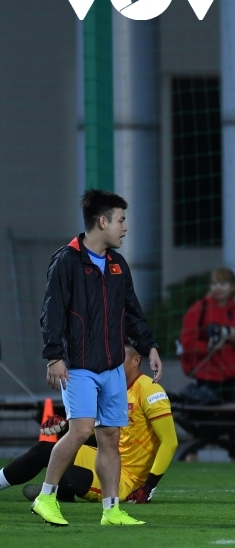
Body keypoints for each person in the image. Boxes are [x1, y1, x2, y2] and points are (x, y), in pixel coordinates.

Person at [34, 189, 162, 527]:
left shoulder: (118, 265)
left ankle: (111, 510)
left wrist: (149, 346)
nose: (125, 228)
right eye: (121, 220)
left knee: (110, 437)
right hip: (78, 366)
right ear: (102, 221)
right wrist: (53, 357)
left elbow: (132, 311)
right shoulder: (67, 260)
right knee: (80, 431)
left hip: (112, 367)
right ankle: (45, 497)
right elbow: (52, 313)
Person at [0, 344, 178, 504]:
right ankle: (54, 490)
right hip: (106, 456)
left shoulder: (151, 390)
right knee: (45, 450)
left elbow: (170, 442)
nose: (112, 362)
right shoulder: (112, 388)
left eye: (118, 358)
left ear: (135, 360)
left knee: (65, 475)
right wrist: (66, 427)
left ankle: (59, 491)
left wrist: (148, 488)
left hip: (126, 479)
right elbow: (98, 432)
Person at [178, 267, 235, 462]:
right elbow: (187, 343)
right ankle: (194, 451)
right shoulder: (199, 309)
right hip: (208, 375)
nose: (218, 288)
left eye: (223, 284)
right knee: (206, 421)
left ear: (232, 287)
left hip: (234, 375)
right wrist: (208, 345)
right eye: (214, 283)